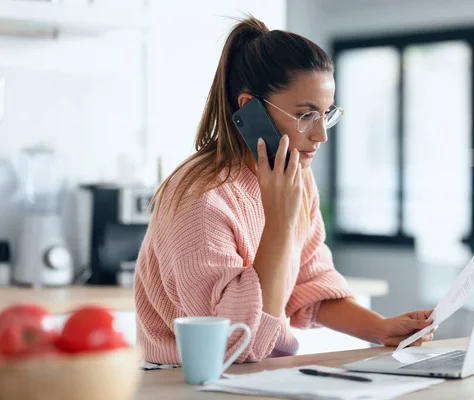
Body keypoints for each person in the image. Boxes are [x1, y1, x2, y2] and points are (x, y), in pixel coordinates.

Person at [134, 15, 434, 365]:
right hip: (184, 379)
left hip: (256, 370)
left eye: (327, 114)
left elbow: (311, 283)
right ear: (250, 108)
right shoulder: (202, 200)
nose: (321, 135)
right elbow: (233, 345)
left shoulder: (294, 176)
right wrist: (279, 222)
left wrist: (381, 328)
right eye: (306, 116)